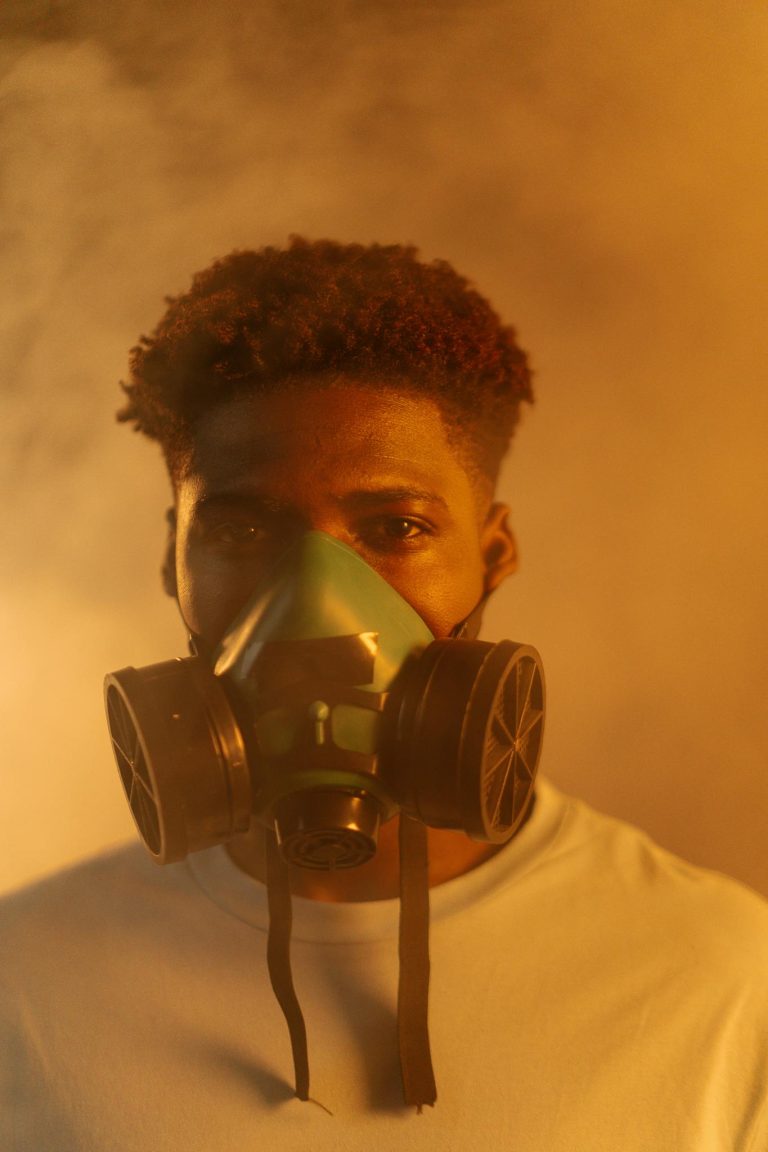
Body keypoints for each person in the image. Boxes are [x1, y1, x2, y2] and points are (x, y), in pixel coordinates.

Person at [2, 238, 767, 1150]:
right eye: (242, 526)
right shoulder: (24, 982)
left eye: (395, 526)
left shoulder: (724, 978)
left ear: (492, 553)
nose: (315, 598)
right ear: (172, 555)